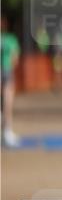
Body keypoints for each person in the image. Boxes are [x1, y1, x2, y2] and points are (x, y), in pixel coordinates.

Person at [1, 16, 20, 148]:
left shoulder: (10, 39)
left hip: (7, 71)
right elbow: (15, 57)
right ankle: (7, 132)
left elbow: (15, 57)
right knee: (7, 102)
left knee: (7, 103)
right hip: (6, 71)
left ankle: (7, 132)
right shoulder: (10, 39)